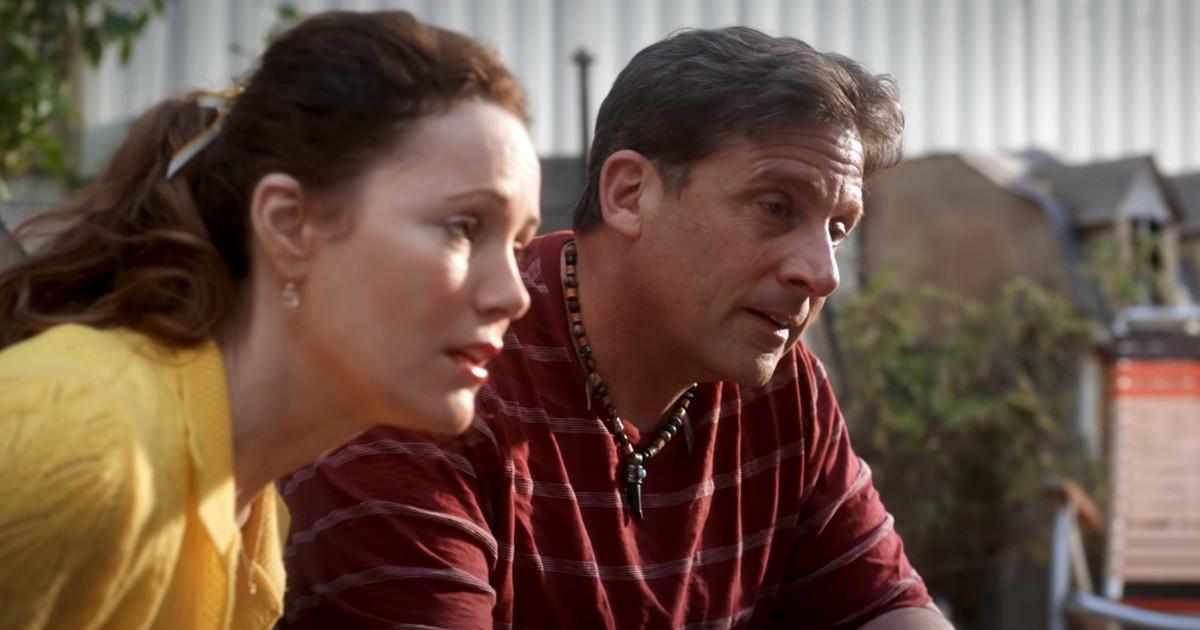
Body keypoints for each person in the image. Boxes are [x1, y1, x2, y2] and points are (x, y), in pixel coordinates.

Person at [281, 26, 953, 630]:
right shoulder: (432, 378)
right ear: (630, 194)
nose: (822, 273)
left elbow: (886, 606)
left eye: (837, 228)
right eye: (776, 207)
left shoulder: (780, 380)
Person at [0, 10, 539, 630]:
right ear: (289, 225)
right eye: (464, 227)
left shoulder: (254, 515)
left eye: (520, 245)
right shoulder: (82, 442)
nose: (515, 294)